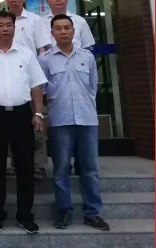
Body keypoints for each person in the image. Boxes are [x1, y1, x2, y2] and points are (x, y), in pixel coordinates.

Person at [0, 11, 48, 234]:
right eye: (0, 25)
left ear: (15, 28)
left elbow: (36, 85)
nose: (5, 29)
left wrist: (38, 113)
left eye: (9, 25)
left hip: (22, 115)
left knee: (25, 167)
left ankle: (25, 216)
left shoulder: (26, 54)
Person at [38, 15, 109, 231]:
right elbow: (41, 92)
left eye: (67, 28)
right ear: (52, 33)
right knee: (61, 169)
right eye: (58, 28)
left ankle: (92, 213)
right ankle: (64, 212)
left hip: (87, 120)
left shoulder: (87, 57)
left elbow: (92, 86)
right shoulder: (45, 60)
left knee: (90, 169)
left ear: (73, 31)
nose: (63, 32)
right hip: (60, 120)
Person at [5, 0, 52, 179]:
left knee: (36, 121)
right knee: (12, 124)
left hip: (30, 78)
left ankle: (39, 164)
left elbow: (42, 49)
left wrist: (39, 78)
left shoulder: (34, 20)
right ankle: (16, 163)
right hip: (8, 79)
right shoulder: (2, 20)